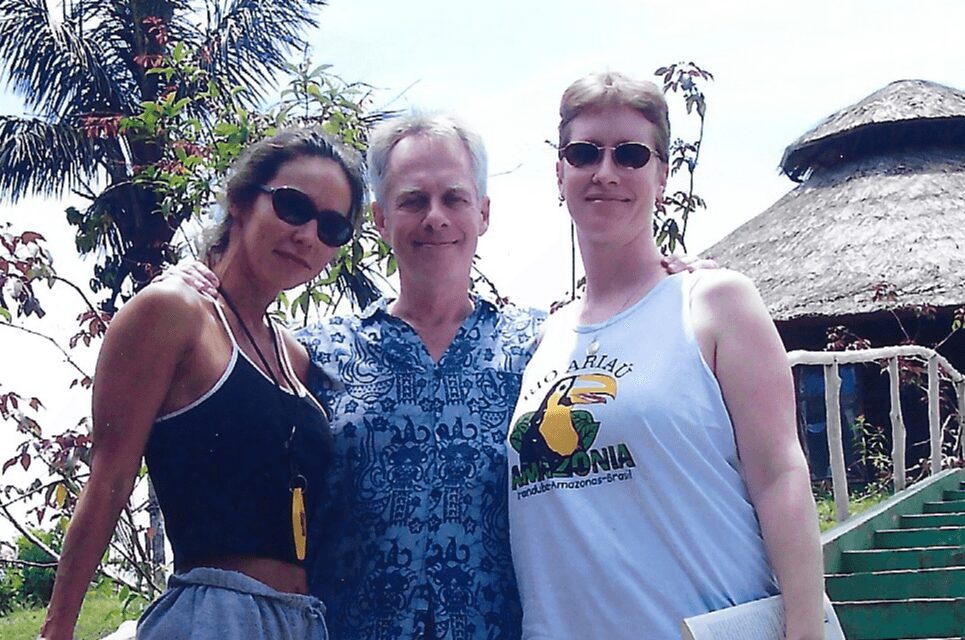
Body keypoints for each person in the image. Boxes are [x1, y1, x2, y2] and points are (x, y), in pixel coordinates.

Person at [165, 111, 706, 640]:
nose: (435, 217)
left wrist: (673, 279)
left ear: (484, 213)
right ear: (379, 219)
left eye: (454, 198)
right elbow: (230, 362)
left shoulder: (546, 348)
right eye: (413, 200)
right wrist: (198, 278)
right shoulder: (314, 354)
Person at [506, 71, 826, 640]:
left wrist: (805, 629)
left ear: (663, 172)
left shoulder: (714, 303)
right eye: (584, 153)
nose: (606, 172)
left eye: (630, 154)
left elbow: (780, 474)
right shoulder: (544, 340)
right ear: (560, 173)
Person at [39, 128, 367, 640]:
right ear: (239, 202)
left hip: (304, 621)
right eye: (293, 207)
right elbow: (110, 479)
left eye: (332, 227)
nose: (308, 235)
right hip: (216, 618)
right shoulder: (174, 313)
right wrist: (57, 630)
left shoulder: (296, 357)